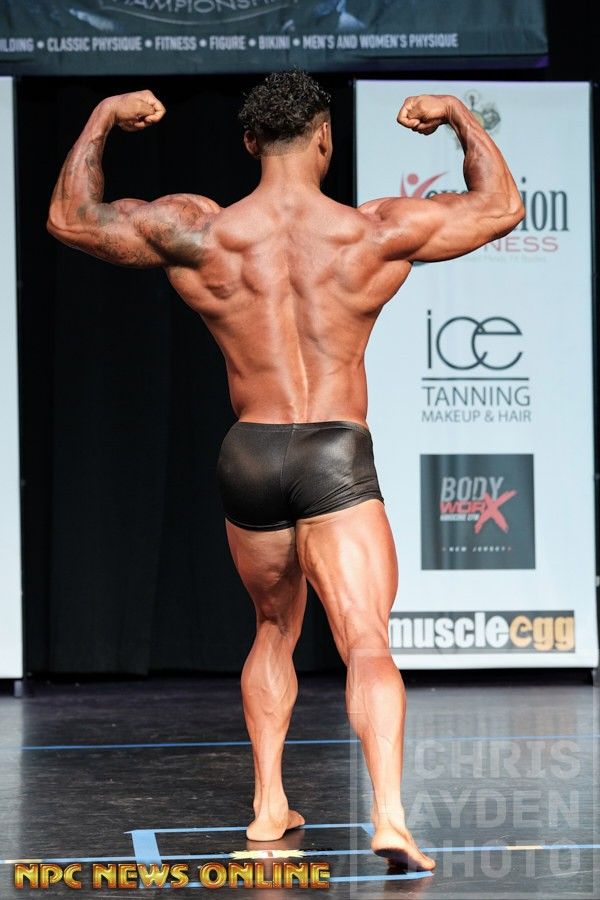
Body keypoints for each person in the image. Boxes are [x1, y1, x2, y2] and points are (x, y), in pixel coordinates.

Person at [47, 71, 524, 871]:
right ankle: (391, 817)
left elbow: (70, 217)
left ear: (248, 142)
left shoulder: (202, 231)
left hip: (251, 452)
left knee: (274, 627)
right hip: (334, 448)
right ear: (325, 139)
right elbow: (501, 206)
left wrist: (100, 117)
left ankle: (269, 805)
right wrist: (456, 117)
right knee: (364, 638)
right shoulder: (372, 230)